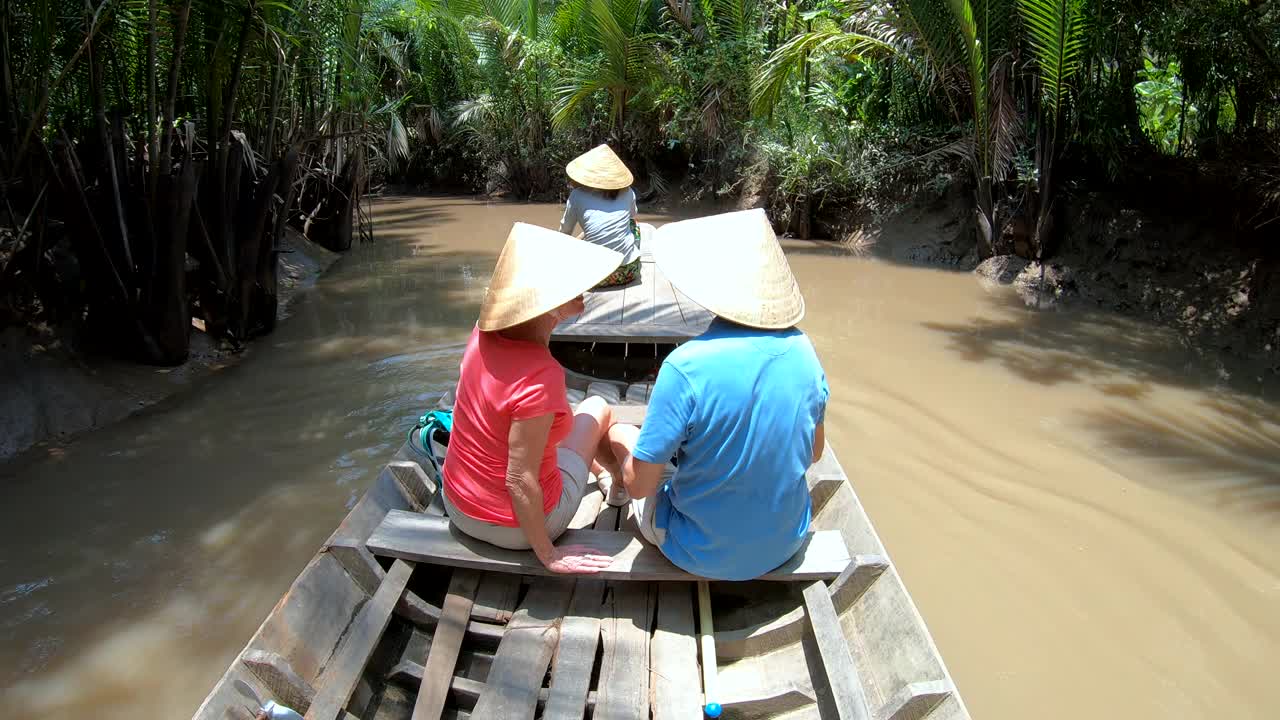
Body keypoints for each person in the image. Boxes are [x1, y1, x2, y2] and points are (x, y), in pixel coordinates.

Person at [600, 209, 830, 581]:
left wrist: (626, 459)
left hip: (696, 552)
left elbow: (641, 487)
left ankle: (619, 469)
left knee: (620, 433)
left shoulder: (684, 366)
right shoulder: (805, 350)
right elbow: (815, 453)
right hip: (787, 542)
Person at [441, 222, 626, 574]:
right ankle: (618, 487)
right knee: (597, 408)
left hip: (458, 507)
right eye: (571, 288)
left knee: (550, 429)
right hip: (519, 531)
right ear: (548, 305)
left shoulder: (480, 333)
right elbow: (518, 479)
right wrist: (549, 555)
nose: (583, 293)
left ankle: (601, 473)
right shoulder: (542, 376)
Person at [559, 144, 642, 288]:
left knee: (578, 240)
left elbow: (564, 234)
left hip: (595, 276)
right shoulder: (627, 192)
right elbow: (632, 217)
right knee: (633, 225)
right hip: (630, 271)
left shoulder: (577, 196)